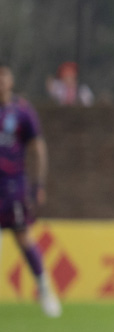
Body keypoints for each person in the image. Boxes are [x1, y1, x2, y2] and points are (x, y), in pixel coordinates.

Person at [0, 63, 58, 317]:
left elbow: (38, 148)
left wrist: (39, 183)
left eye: (3, 76)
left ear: (10, 80)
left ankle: (44, 288)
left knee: (22, 236)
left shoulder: (21, 111)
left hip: (12, 186)